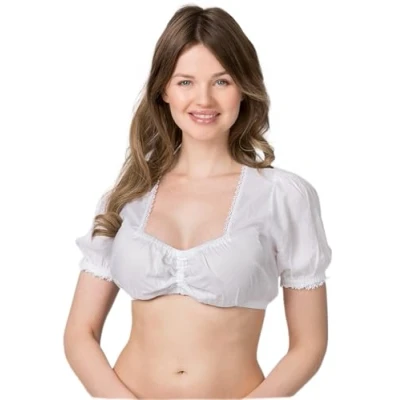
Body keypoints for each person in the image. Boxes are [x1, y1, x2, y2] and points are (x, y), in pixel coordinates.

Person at [63, 4, 333, 399]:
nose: (203, 99)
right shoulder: (127, 196)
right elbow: (79, 333)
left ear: (244, 88)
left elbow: (309, 345)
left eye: (222, 81)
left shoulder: (283, 195)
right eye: (185, 81)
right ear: (164, 90)